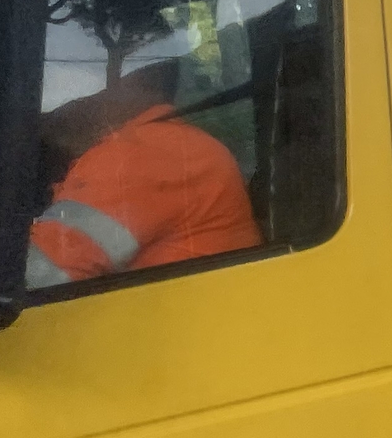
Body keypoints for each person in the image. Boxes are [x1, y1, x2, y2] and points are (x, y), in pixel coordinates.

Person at [27, 62, 260, 289]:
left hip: (176, 319)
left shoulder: (137, 154)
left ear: (128, 85)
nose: (68, 106)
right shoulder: (178, 143)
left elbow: (38, 277)